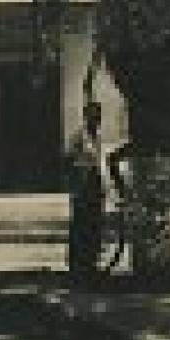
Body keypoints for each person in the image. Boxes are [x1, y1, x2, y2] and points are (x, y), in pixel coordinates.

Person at [67, 100, 108, 280]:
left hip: (94, 182)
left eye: (98, 116)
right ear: (86, 117)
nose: (96, 119)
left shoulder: (97, 137)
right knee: (81, 224)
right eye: (92, 116)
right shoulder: (78, 137)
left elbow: (98, 162)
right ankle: (78, 265)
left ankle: (91, 263)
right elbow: (69, 160)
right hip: (81, 183)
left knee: (94, 224)